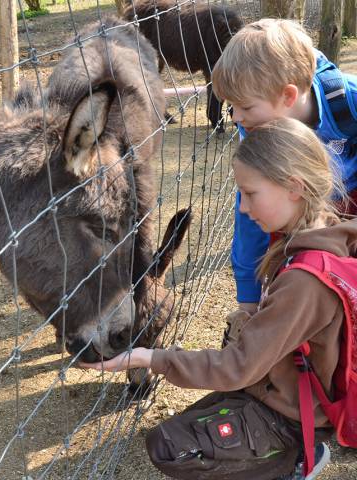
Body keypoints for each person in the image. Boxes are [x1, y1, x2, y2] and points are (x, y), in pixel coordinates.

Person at [80, 118, 350, 480]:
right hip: (282, 385)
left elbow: (237, 366)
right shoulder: (326, 232)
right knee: (187, 425)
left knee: (169, 447)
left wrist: (149, 357)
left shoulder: (304, 280)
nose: (243, 207)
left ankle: (297, 459)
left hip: (295, 409)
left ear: (294, 187)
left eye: (250, 193)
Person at [210, 18, 357, 318]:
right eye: (231, 108)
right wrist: (248, 300)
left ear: (288, 96)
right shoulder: (257, 128)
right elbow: (251, 215)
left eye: (246, 107)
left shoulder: (348, 103)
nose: (237, 117)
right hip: (304, 215)